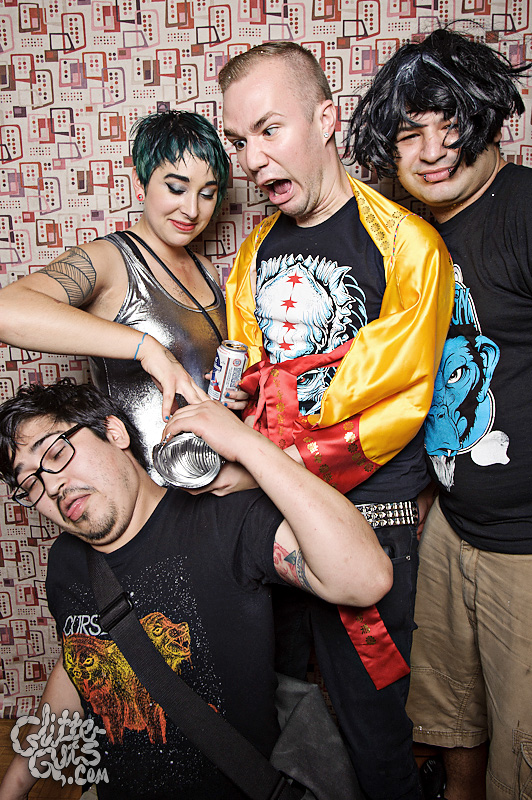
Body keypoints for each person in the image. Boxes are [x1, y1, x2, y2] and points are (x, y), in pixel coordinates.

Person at [217, 42, 454, 800]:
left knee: (375, 733)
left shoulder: (407, 244)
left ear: (327, 119)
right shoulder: (252, 255)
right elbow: (250, 382)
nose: (253, 160)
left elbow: (400, 396)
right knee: (276, 718)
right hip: (272, 519)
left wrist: (271, 452)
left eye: (269, 129)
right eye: (239, 141)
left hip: (369, 522)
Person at [0, 378, 392, 800]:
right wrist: (15, 785)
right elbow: (82, 660)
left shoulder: (223, 521)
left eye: (56, 453)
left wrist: (247, 445)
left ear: (114, 432)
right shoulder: (65, 562)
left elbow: (365, 580)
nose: (51, 487)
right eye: (31, 484)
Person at [347, 27, 532, 800]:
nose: (428, 152)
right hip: (454, 527)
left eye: (449, 126)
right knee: (454, 721)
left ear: (484, 117)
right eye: (408, 133)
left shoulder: (523, 210)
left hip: (525, 548)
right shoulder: (412, 234)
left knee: (521, 752)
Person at [0, 110, 242, 479]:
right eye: (176, 189)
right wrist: (147, 348)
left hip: (224, 482)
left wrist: (236, 393)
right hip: (151, 494)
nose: (192, 209)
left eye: (207, 194)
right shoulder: (110, 260)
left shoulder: (207, 272)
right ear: (140, 182)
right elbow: (7, 311)